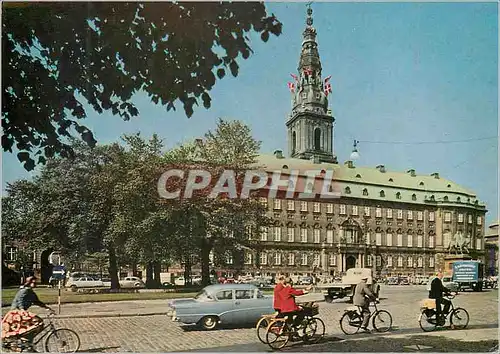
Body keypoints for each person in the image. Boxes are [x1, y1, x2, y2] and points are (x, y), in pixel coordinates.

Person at [2, 276, 53, 349]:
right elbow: (20, 301)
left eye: (36, 282)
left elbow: (37, 302)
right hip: (16, 313)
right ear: (29, 283)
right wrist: (22, 309)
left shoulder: (31, 292)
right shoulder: (24, 290)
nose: (36, 284)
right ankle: (25, 341)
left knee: (33, 326)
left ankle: (27, 340)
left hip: (20, 312)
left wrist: (47, 308)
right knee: (38, 322)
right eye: (34, 282)